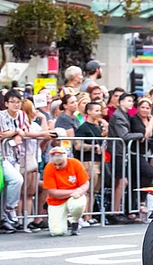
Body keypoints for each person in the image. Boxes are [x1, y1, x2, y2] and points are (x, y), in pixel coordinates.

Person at [107, 92, 143, 224]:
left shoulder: (125, 115)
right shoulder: (118, 116)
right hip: (118, 152)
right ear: (121, 102)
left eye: (132, 101)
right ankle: (115, 211)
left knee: (122, 182)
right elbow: (124, 136)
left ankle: (117, 210)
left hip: (121, 152)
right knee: (121, 182)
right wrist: (140, 135)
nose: (131, 103)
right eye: (128, 100)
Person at [42, 146, 90, 236]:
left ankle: (75, 221)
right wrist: (73, 192)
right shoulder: (48, 168)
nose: (57, 167)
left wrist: (80, 191)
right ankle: (63, 220)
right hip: (56, 201)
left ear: (66, 160)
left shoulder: (75, 163)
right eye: (55, 164)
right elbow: (52, 192)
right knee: (57, 232)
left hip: (74, 197)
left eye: (60, 164)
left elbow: (85, 183)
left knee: (78, 204)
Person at [20, 99, 52, 232]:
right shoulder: (22, 124)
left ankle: (28, 220)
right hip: (23, 159)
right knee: (23, 193)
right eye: (32, 108)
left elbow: (46, 134)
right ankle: (20, 220)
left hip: (35, 160)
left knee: (30, 193)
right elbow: (28, 134)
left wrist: (43, 118)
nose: (35, 111)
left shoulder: (34, 124)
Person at [75, 102, 107, 225]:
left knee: (94, 190)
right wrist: (92, 147)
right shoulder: (83, 127)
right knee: (88, 189)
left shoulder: (97, 127)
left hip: (98, 161)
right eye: (96, 110)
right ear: (88, 112)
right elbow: (78, 145)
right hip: (88, 161)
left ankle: (90, 215)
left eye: (100, 110)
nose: (99, 113)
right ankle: (84, 216)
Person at [130, 98, 153, 217]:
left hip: (147, 153)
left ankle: (135, 209)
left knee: (137, 180)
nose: (145, 110)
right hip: (135, 153)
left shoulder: (150, 120)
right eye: (142, 107)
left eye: (147, 108)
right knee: (149, 173)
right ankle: (141, 202)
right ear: (138, 108)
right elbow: (145, 135)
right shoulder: (135, 120)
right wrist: (152, 122)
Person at [0, 90, 27, 228]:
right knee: (16, 179)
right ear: (6, 103)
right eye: (13, 102)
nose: (16, 105)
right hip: (2, 156)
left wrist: (19, 134)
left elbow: (26, 130)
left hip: (15, 155)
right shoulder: (1, 116)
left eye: (18, 102)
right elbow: (3, 134)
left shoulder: (22, 115)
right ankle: (10, 209)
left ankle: (5, 217)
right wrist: (17, 132)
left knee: (8, 185)